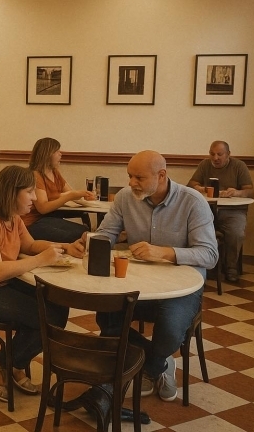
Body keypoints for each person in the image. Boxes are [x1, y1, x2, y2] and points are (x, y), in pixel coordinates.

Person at [89, 150, 218, 402]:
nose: (131, 183)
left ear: (161, 175)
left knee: (170, 328)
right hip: (140, 283)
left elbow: (209, 255)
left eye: (139, 177)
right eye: (129, 176)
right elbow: (106, 234)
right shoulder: (125, 198)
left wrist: (164, 252)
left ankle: (151, 366)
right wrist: (91, 242)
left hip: (182, 287)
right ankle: (160, 362)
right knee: (106, 316)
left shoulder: (193, 202)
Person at [0, 165, 82, 402]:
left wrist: (64, 247)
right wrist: (41, 259)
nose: (35, 198)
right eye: (29, 192)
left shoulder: (13, 218)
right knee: (45, 316)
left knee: (57, 307)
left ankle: (14, 363)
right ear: (12, 192)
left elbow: (30, 245)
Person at [187, 140, 254, 282]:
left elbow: (250, 191)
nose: (215, 158)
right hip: (208, 210)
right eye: (212, 154)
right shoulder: (205, 165)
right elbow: (191, 184)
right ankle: (204, 265)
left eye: (219, 154)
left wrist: (236, 192)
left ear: (228, 154)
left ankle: (231, 268)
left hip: (233, 211)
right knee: (192, 227)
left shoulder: (239, 166)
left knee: (236, 232)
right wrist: (200, 188)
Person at [23, 137, 96, 243]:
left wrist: (85, 196)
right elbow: (43, 208)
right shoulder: (35, 175)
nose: (60, 154)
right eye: (57, 151)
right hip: (33, 222)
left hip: (48, 218)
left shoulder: (54, 172)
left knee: (83, 231)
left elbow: (70, 192)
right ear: (47, 154)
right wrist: (69, 196)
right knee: (80, 235)